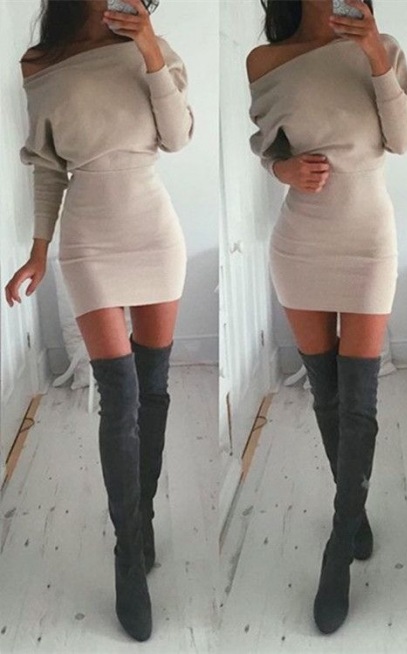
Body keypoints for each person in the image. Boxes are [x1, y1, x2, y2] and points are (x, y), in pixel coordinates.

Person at [4, 0, 193, 642]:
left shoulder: (150, 44)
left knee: (154, 386)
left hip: (154, 230)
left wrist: (149, 47)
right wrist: (37, 251)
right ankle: (127, 554)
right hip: (87, 240)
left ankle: (142, 521)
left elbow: (178, 135)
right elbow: (48, 167)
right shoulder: (40, 62)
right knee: (120, 394)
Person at [246, 0, 407, 635]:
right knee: (327, 394)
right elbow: (268, 146)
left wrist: (372, 53)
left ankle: (338, 547)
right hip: (300, 242)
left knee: (359, 401)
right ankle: (356, 512)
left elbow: (403, 138)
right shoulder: (264, 60)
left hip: (369, 239)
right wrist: (281, 168)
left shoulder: (383, 46)